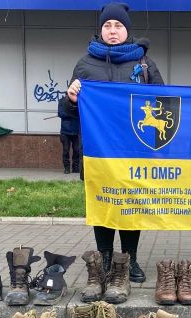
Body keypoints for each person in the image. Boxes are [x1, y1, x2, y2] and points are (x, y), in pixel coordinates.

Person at [66, 2, 164, 282]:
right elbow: (69, 112)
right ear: (100, 30)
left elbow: (163, 100)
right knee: (103, 204)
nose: (112, 30)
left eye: (118, 25)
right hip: (98, 152)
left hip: (134, 151)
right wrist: (70, 99)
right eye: (107, 25)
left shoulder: (144, 64)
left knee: (131, 206)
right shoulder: (85, 64)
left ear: (127, 30)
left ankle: (128, 261)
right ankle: (105, 260)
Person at [57, 96, 82, 175]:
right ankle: (67, 168)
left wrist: (71, 113)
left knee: (77, 150)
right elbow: (61, 114)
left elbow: (80, 114)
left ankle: (75, 168)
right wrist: (71, 113)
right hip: (65, 131)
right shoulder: (62, 101)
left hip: (76, 131)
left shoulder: (78, 101)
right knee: (66, 150)